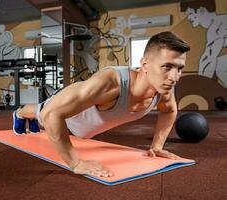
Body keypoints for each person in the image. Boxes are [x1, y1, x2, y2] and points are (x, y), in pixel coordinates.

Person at [12, 31, 190, 178]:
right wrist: (76, 163)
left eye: (179, 68)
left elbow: (169, 111)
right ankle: (19, 114)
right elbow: (51, 114)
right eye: (167, 67)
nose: (174, 77)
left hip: (81, 127)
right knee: (39, 111)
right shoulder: (112, 83)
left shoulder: (163, 88)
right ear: (144, 64)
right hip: (65, 113)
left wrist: (157, 146)